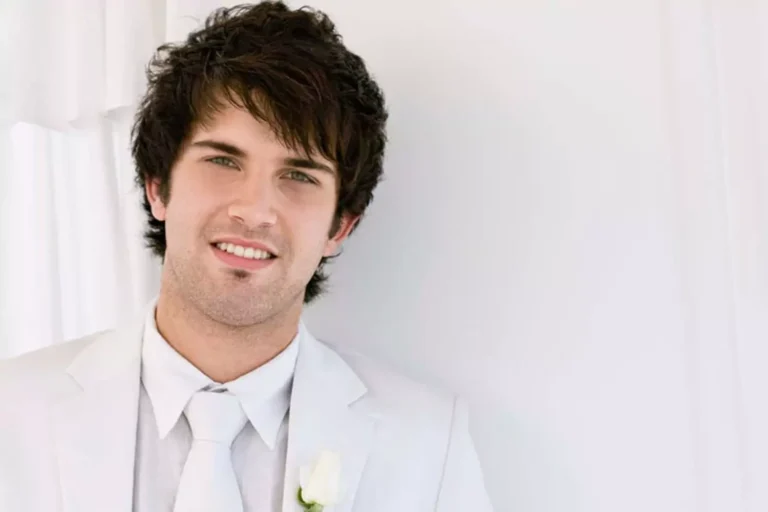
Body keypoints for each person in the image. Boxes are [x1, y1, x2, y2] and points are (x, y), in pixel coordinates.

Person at [0, 2, 493, 511]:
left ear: (341, 225)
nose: (255, 211)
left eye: (299, 175)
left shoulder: (429, 445)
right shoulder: (10, 416)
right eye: (222, 160)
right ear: (157, 188)